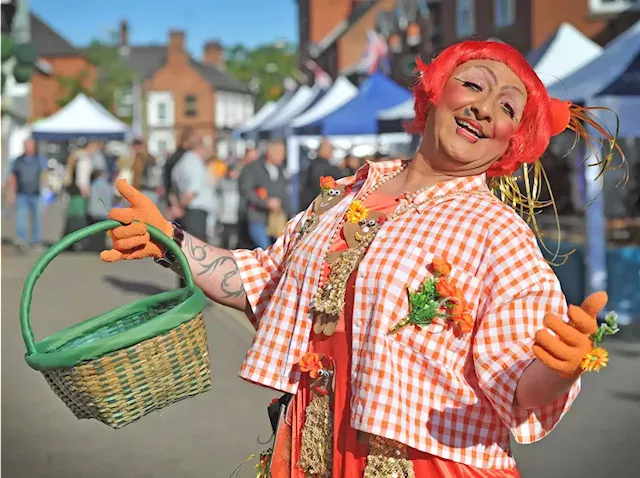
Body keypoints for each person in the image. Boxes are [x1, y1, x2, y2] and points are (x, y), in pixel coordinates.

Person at [100, 40, 624, 477]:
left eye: (508, 107)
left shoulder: (495, 230)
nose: (486, 108)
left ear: (512, 139)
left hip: (422, 463)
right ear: (437, 90)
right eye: (475, 85)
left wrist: (561, 368)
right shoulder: (346, 194)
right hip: (312, 450)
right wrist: (169, 238)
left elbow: (518, 384)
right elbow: (265, 282)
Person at [238, 140, 289, 250]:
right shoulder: (251, 169)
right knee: (264, 249)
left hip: (276, 219)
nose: (283, 156)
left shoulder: (282, 171)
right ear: (270, 152)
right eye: (280, 153)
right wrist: (266, 203)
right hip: (257, 217)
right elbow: (246, 191)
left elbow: (285, 193)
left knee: (277, 250)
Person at [6, 138, 47, 251]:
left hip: (35, 193)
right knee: (21, 218)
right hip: (21, 194)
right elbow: (13, 177)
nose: (28, 147)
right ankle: (21, 240)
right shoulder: (18, 160)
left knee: (36, 219)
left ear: (34, 146)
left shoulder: (39, 159)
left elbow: (44, 174)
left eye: (30, 145)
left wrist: (44, 188)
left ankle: (35, 241)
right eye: (26, 145)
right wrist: (11, 193)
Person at [299, 138, 344, 211]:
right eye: (331, 149)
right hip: (318, 205)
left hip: (312, 204)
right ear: (324, 150)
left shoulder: (312, 164)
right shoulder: (322, 166)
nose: (332, 152)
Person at [215, 163, 241, 249]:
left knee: (234, 234)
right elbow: (217, 196)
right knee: (225, 234)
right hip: (225, 213)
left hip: (235, 213)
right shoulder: (222, 181)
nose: (233, 174)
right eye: (232, 171)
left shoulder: (240, 183)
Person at [86, 169, 112, 252]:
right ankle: (101, 248)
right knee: (102, 232)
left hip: (94, 212)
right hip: (104, 212)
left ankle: (93, 247)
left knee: (94, 231)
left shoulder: (93, 185)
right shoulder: (107, 185)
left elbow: (91, 197)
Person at [130, 138, 160, 205]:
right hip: (150, 192)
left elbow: (137, 177)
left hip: (145, 191)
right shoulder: (150, 157)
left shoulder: (141, 157)